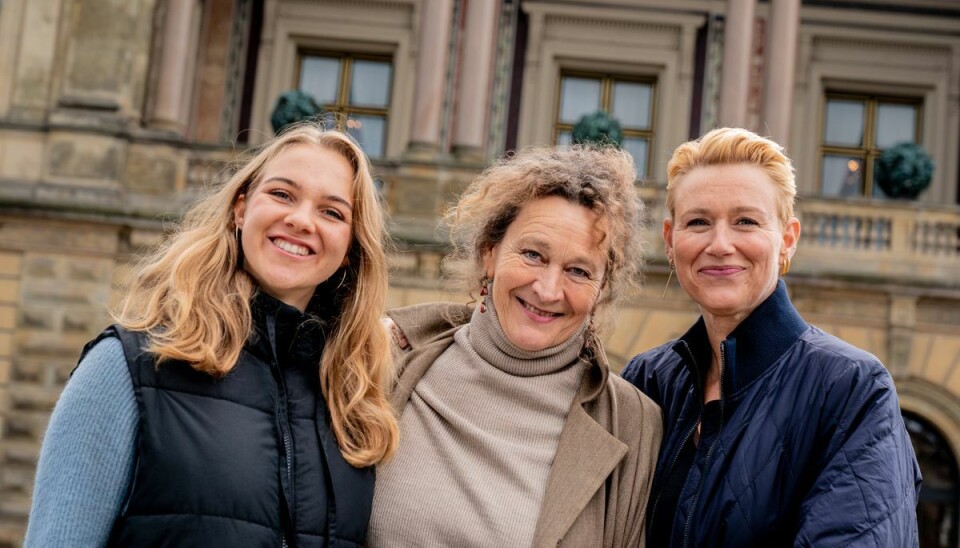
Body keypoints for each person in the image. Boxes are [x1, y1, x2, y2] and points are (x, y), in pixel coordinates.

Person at [25, 123, 398, 547]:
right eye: (281, 194)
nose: (300, 220)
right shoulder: (127, 367)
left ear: (349, 247)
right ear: (241, 208)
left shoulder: (353, 404)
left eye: (332, 212)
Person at [621, 127, 922, 547]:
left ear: (787, 239)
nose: (720, 244)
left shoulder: (850, 387)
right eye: (698, 222)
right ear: (671, 242)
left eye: (746, 221)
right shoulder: (648, 381)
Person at [367, 145, 663, 548]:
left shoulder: (634, 425)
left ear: (602, 289)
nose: (547, 289)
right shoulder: (386, 357)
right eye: (532, 255)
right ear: (490, 253)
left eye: (578, 271)